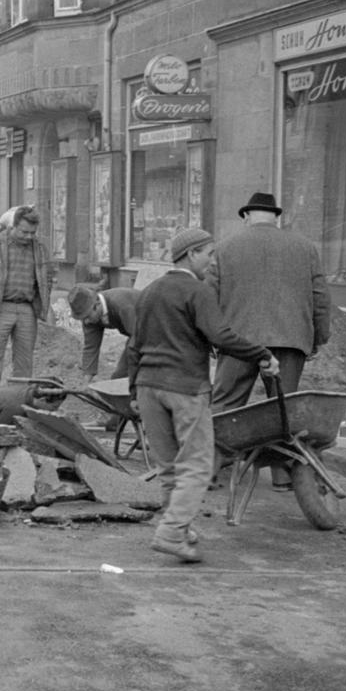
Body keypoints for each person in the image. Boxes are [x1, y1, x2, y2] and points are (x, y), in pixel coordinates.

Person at [126, 228, 279, 564]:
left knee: (168, 466)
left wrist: (132, 390)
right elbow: (220, 336)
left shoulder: (150, 291)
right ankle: (170, 533)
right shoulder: (197, 291)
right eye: (209, 254)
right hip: (185, 388)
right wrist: (262, 354)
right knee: (196, 466)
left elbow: (134, 345)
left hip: (148, 387)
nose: (212, 262)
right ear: (191, 253)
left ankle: (177, 527)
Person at [207, 191, 332, 491]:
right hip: (290, 339)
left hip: (238, 340)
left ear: (247, 216)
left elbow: (209, 298)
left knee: (224, 404)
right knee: (282, 409)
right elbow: (320, 297)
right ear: (277, 217)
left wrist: (212, 337)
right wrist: (317, 338)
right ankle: (281, 475)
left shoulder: (225, 249)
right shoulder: (305, 248)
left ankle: (207, 469)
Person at [0, 205, 54, 391]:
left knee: (24, 363)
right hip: (0, 307)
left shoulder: (39, 248)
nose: (29, 237)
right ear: (13, 226)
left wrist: (43, 306)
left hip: (27, 309)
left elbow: (47, 277)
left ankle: (16, 401)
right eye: (24, 232)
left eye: (32, 233)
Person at [68, 284, 143, 384]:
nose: (86, 322)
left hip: (157, 328)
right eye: (83, 318)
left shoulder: (122, 304)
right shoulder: (90, 317)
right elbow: (91, 348)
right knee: (118, 380)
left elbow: (138, 339)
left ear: (97, 304)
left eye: (87, 316)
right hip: (136, 335)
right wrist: (85, 384)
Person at [0, 381, 65, 426]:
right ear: (42, 400)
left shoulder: (27, 391)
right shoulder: (16, 408)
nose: (54, 411)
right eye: (54, 407)